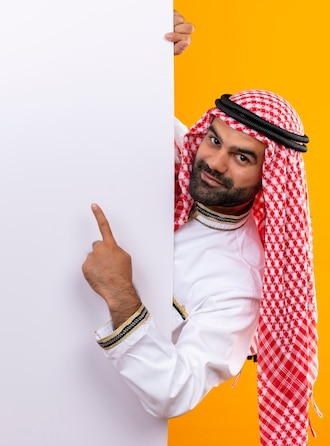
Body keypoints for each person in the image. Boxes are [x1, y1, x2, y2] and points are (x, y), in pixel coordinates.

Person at [81, 28, 319, 446]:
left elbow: (174, 390)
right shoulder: (176, 151)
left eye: (241, 157)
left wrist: (120, 294)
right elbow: (103, 99)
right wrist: (144, 38)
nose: (213, 162)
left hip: (92, 420)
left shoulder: (240, 283)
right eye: (214, 140)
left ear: (271, 178)